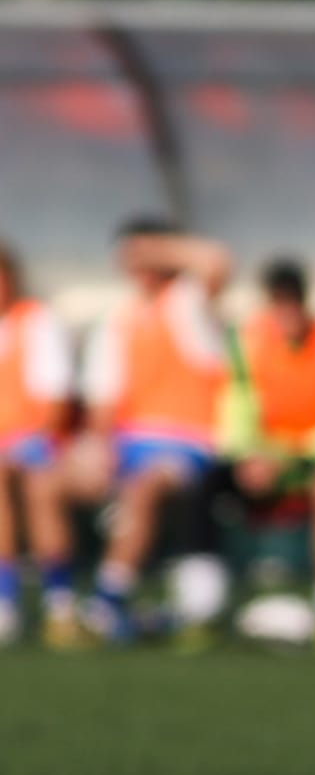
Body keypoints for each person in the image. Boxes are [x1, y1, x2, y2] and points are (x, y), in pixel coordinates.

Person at [72, 219, 232, 643]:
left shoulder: (186, 303)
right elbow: (102, 402)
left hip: (188, 443)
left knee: (141, 490)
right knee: (43, 483)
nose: (137, 263)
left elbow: (216, 261)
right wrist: (99, 451)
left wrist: (159, 249)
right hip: (129, 444)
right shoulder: (117, 319)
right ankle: (49, 599)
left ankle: (107, 599)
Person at [210, 258, 315, 652]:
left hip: (314, 463)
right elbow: (235, 412)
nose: (287, 312)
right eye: (278, 302)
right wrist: (250, 456)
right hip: (266, 463)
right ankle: (202, 606)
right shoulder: (246, 340)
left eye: (293, 301)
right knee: (200, 484)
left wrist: (292, 457)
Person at [0, 242, 79, 647]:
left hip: (38, 441)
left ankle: (58, 601)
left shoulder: (38, 321)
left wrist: (26, 444)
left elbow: (55, 402)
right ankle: (7, 599)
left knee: (38, 488)